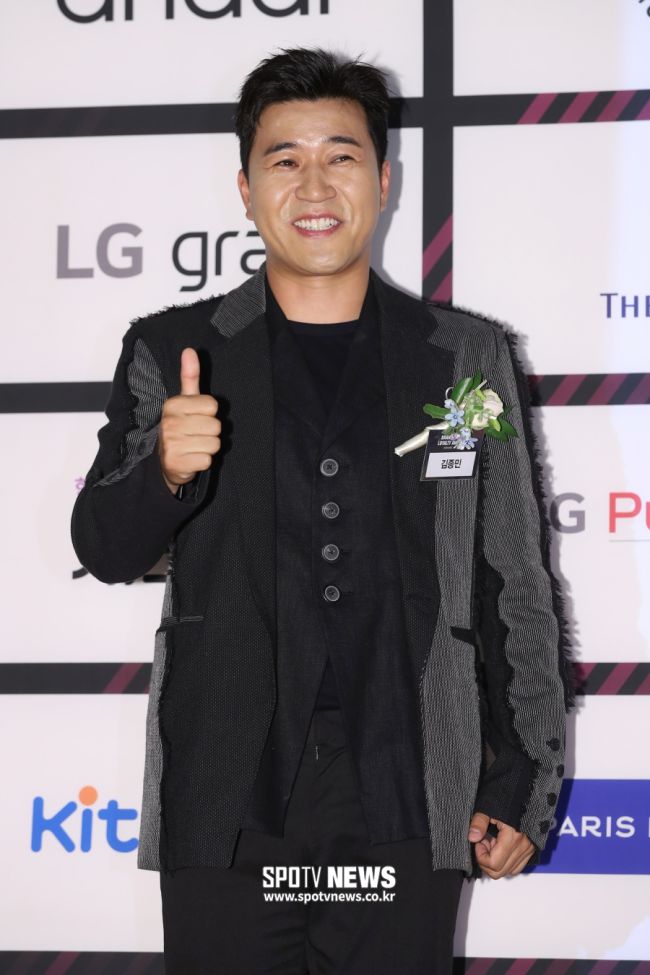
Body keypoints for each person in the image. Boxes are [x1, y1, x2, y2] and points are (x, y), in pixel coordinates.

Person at [71, 47, 576, 975]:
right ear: (245, 188)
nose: (314, 184)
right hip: (228, 795)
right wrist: (165, 473)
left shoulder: (465, 357)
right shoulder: (175, 348)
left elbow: (513, 579)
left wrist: (521, 776)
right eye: (285, 159)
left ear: (382, 181)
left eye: (341, 156)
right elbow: (103, 546)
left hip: (409, 782)